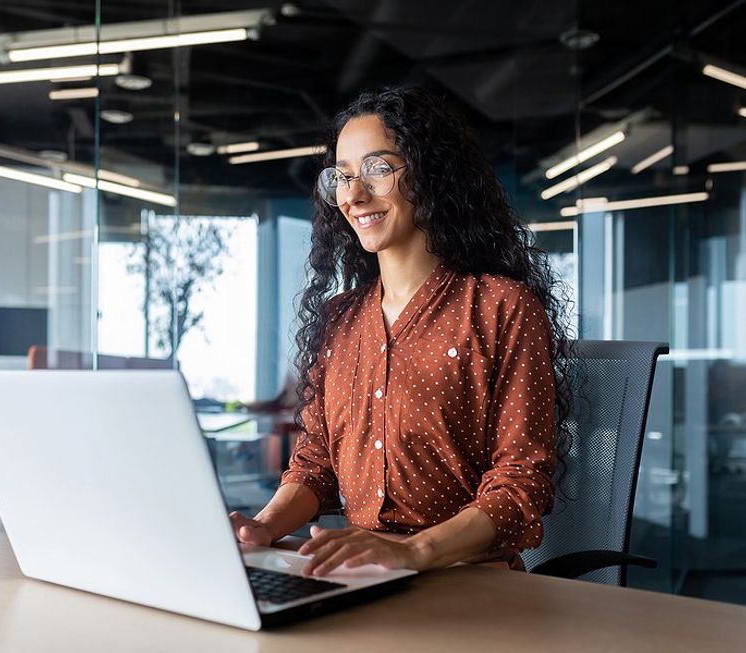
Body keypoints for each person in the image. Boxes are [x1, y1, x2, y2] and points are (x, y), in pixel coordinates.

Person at [230, 87, 572, 576]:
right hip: (362, 572)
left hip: (468, 580)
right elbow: (314, 465)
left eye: (378, 169)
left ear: (430, 175)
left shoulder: (502, 307)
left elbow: (522, 483)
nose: (354, 194)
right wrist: (263, 527)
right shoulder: (339, 320)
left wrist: (414, 551)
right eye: (343, 177)